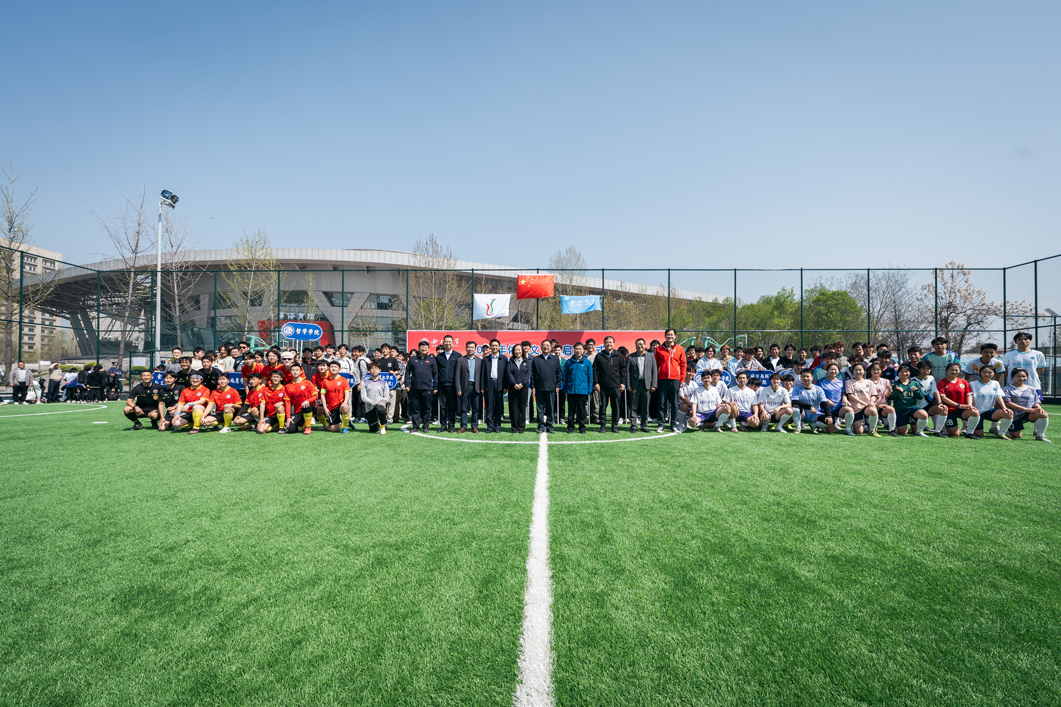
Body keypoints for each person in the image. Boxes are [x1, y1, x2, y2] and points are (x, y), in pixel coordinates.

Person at [1003, 368, 1051, 442]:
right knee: (1017, 436)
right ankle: (1006, 429)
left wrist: (1040, 409)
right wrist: (1026, 409)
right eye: (1018, 376)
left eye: (1024, 376)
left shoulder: (1031, 389)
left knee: (1043, 414)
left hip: (1028, 413)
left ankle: (1040, 435)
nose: (1021, 378)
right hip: (1013, 415)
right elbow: (1008, 402)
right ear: (1012, 377)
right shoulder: (1007, 389)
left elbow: (1036, 402)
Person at [592, 336, 628, 433]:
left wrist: (622, 382)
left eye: (610, 342)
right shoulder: (599, 355)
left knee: (615, 407)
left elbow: (623, 370)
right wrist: (596, 383)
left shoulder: (618, 355)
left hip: (616, 385)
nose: (609, 344)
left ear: (614, 344)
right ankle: (603, 425)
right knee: (602, 406)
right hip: (603, 386)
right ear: (604, 344)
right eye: (607, 342)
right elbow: (594, 370)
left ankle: (614, 425)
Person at [969, 366, 1014, 439]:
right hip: (976, 412)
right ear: (980, 373)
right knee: (979, 434)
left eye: (990, 372)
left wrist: (1004, 407)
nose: (986, 374)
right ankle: (968, 426)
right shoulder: (972, 384)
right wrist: (970, 406)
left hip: (989, 411)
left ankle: (1001, 434)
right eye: (984, 372)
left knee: (1008, 413)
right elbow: (969, 396)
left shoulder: (995, 383)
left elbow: (998, 396)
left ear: (994, 374)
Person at [654, 329, 686, 433]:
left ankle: (673, 425)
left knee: (674, 404)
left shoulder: (680, 349)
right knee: (662, 403)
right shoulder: (659, 349)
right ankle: (661, 425)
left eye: (672, 335)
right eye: (668, 335)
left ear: (675, 336)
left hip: (675, 379)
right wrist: (655, 379)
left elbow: (683, 365)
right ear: (665, 336)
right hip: (662, 379)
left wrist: (682, 379)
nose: (670, 337)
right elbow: (655, 365)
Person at [404, 338, 438, 433]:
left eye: (426, 347)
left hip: (427, 388)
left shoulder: (432, 360)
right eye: (422, 347)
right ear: (419, 348)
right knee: (415, 408)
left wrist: (435, 387)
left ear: (428, 349)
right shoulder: (413, 359)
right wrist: (407, 384)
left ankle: (426, 426)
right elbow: (407, 372)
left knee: (427, 408)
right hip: (415, 388)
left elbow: (435, 374)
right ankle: (416, 426)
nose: (424, 348)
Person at [887, 364, 930, 437]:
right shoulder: (895, 384)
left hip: (912, 408)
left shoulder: (915, 383)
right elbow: (890, 398)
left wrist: (916, 391)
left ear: (910, 372)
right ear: (898, 373)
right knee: (903, 432)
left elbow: (920, 397)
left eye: (906, 372)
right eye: (902, 372)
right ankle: (897, 428)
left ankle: (919, 432)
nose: (904, 373)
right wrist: (897, 392)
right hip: (900, 409)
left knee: (924, 415)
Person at [937, 362, 976, 439]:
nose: (954, 372)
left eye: (956, 370)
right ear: (947, 370)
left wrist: (969, 405)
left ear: (959, 371)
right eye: (951, 370)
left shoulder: (964, 382)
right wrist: (958, 405)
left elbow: (969, 395)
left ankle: (969, 433)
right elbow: (943, 398)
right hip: (949, 410)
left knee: (975, 412)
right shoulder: (941, 382)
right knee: (955, 434)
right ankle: (943, 427)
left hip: (962, 409)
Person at [530, 339, 562, 434]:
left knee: (550, 408)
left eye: (548, 345)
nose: (546, 347)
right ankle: (541, 426)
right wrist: (533, 386)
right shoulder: (536, 359)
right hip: (539, 388)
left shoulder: (555, 359)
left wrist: (557, 385)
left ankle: (549, 426)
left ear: (551, 347)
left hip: (551, 388)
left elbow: (559, 373)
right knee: (539, 408)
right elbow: (532, 374)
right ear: (541, 347)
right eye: (544, 345)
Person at [627, 338, 657, 433]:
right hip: (634, 385)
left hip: (646, 385)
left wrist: (654, 385)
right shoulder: (630, 357)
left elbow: (654, 371)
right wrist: (628, 384)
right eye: (638, 344)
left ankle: (644, 425)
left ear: (645, 345)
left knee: (645, 406)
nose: (640, 346)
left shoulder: (651, 356)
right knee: (634, 406)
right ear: (635, 346)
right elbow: (627, 372)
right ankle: (633, 426)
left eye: (642, 344)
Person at [839, 363, 878, 436]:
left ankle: (872, 431)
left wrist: (872, 402)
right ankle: (857, 425)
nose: (858, 372)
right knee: (859, 432)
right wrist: (864, 403)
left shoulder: (869, 382)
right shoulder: (849, 382)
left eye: (860, 370)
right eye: (856, 370)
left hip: (867, 407)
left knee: (873, 410)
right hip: (855, 408)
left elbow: (873, 395)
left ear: (864, 371)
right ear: (852, 371)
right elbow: (850, 395)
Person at [480, 339, 509, 434]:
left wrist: (505, 386)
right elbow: (482, 374)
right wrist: (482, 387)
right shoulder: (485, 359)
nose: (494, 347)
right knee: (489, 406)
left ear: (499, 347)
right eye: (492, 345)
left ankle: (497, 426)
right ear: (490, 347)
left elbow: (506, 374)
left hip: (499, 384)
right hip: (489, 384)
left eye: (496, 345)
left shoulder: (504, 359)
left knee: (498, 406)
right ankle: (489, 426)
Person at [564, 342, 592, 434]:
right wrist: (565, 388)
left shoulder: (587, 362)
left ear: (583, 350)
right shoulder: (569, 362)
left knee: (582, 410)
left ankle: (582, 427)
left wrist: (589, 389)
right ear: (574, 350)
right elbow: (565, 376)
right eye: (576, 348)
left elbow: (590, 377)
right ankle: (570, 427)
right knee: (571, 410)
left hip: (582, 390)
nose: (578, 350)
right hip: (571, 390)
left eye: (580, 349)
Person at [316, 359, 352, 433]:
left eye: (335, 367)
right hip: (332, 406)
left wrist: (345, 402)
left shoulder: (343, 380)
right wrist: (325, 408)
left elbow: (347, 392)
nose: (333, 368)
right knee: (333, 429)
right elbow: (322, 395)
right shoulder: (325, 381)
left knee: (345, 408)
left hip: (341, 404)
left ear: (339, 369)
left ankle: (345, 427)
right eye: (332, 367)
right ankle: (346, 422)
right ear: (329, 368)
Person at [435, 335, 461, 433]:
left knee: (452, 406)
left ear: (453, 343)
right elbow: (436, 372)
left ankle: (451, 425)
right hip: (442, 385)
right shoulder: (439, 356)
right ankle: (443, 425)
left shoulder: (457, 356)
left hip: (453, 385)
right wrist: (436, 385)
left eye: (450, 341)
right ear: (443, 343)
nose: (448, 343)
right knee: (442, 406)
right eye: (446, 341)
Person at [457, 340, 484, 434]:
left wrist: (482, 388)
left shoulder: (479, 361)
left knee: (475, 409)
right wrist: (458, 388)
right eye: (469, 347)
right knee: (463, 409)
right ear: (466, 348)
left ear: (475, 349)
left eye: (472, 347)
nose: (470, 349)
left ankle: (474, 426)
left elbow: (482, 376)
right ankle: (463, 426)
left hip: (476, 387)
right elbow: (457, 375)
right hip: (465, 387)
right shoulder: (461, 360)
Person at [284, 363, 319, 435]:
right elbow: (287, 403)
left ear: (301, 372)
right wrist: (288, 418)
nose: (295, 372)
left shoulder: (307, 382)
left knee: (306, 406)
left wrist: (307, 401)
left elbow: (315, 396)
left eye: (297, 370)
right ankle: (302, 424)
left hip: (310, 408)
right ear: (290, 372)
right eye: (293, 370)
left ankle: (308, 427)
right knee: (290, 429)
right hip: (298, 411)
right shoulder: (287, 386)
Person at [505, 343, 532, 433]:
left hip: (523, 388)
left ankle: (521, 427)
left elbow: (528, 373)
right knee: (513, 407)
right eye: (516, 350)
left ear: (522, 351)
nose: (518, 351)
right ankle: (514, 427)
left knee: (522, 407)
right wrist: (514, 384)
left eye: (519, 350)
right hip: (513, 388)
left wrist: (522, 384)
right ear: (513, 351)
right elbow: (509, 373)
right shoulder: (510, 361)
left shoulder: (526, 361)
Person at [790, 369, 827, 433]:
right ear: (800, 377)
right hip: (802, 414)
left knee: (828, 422)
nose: (805, 378)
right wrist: (810, 407)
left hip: (815, 414)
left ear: (812, 377)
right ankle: (798, 427)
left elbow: (824, 402)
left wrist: (829, 415)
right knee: (795, 408)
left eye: (807, 376)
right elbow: (794, 401)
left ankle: (813, 424)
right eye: (803, 376)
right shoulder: (796, 389)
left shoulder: (818, 389)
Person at [867, 363, 897, 435]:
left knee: (891, 409)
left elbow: (886, 395)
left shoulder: (886, 381)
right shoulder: (866, 381)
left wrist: (889, 391)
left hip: (883, 405)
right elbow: (865, 397)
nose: (876, 371)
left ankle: (891, 430)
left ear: (881, 371)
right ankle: (865, 424)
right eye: (874, 369)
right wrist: (875, 405)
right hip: (870, 406)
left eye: (878, 369)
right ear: (870, 371)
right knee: (872, 429)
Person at [361, 361, 391, 434]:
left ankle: (383, 427)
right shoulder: (365, 382)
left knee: (380, 410)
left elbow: (387, 397)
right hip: (370, 407)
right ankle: (378, 424)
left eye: (376, 368)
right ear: (369, 371)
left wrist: (380, 401)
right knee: (373, 430)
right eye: (372, 368)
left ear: (379, 370)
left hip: (380, 404)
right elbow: (363, 397)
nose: (374, 370)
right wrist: (372, 401)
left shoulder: (384, 383)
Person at [257, 370, 290, 434]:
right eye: (274, 377)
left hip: (282, 414)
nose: (275, 379)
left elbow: (289, 402)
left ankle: (281, 427)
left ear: (281, 378)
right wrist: (261, 418)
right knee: (261, 430)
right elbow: (262, 404)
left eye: (277, 377)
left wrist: (282, 403)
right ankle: (275, 425)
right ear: (270, 378)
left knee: (279, 407)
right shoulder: (265, 390)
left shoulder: (285, 389)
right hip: (270, 416)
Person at [815, 363, 845, 434]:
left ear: (838, 371)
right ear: (827, 371)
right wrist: (826, 400)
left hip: (838, 407)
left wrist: (844, 398)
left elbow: (843, 393)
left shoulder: (841, 382)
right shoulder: (821, 381)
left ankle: (848, 429)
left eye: (835, 369)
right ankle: (817, 423)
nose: (833, 371)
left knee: (849, 410)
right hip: (826, 408)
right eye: (831, 369)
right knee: (831, 431)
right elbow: (817, 393)